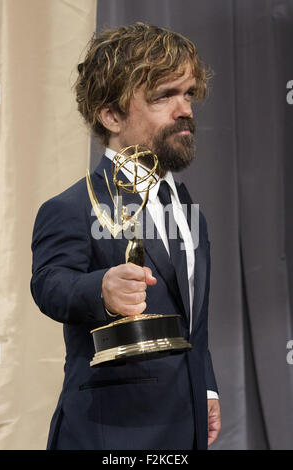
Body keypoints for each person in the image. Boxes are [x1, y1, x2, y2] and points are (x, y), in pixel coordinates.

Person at [31, 22, 220, 450]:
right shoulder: (71, 206)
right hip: (111, 435)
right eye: (163, 96)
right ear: (111, 114)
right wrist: (100, 288)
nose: (185, 108)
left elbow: (194, 320)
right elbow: (49, 283)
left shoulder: (189, 211)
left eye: (188, 93)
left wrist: (206, 388)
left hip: (186, 428)